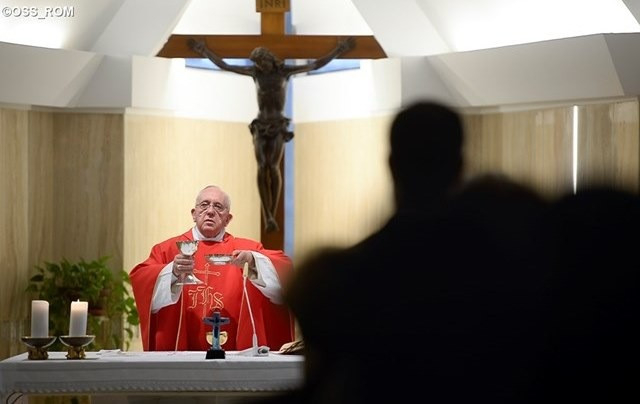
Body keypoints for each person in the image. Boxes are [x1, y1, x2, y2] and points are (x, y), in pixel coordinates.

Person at [188, 37, 355, 232]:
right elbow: (225, 65)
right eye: (258, 63)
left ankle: (272, 213)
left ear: (269, 59)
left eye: (262, 62)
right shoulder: (255, 73)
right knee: (262, 167)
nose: (260, 66)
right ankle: (267, 214)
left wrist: (339, 50)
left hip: (277, 125)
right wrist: (203, 51)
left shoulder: (284, 72)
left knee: (273, 167)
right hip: (261, 125)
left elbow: (315, 65)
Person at [130, 185, 294, 352]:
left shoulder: (246, 250)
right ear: (194, 214)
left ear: (228, 219)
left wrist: (253, 262)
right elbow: (141, 279)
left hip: (236, 352)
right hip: (180, 352)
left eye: (218, 206)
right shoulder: (168, 250)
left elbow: (285, 270)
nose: (210, 211)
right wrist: (173, 271)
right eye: (204, 205)